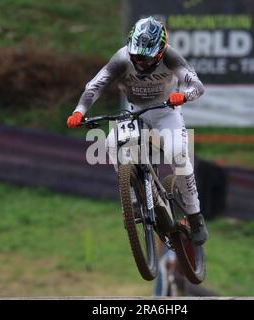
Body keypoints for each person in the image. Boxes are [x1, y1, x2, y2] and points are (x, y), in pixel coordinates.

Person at [66, 17, 208, 245]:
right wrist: (78, 111)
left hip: (166, 111)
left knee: (178, 153)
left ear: (160, 51)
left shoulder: (171, 56)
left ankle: (194, 215)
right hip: (133, 112)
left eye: (146, 57)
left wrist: (184, 95)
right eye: (136, 56)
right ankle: (132, 201)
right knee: (112, 143)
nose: (140, 62)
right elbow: (95, 86)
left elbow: (197, 86)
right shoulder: (122, 58)